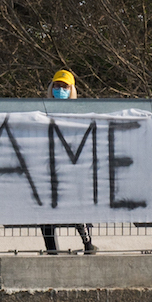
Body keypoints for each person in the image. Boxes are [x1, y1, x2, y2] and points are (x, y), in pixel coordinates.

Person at [39, 69, 97, 256]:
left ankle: (88, 244)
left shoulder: (78, 112)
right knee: (45, 211)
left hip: (72, 166)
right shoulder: (43, 110)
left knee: (77, 208)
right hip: (49, 167)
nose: (60, 90)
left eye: (64, 87)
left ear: (72, 89)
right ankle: (52, 250)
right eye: (57, 86)